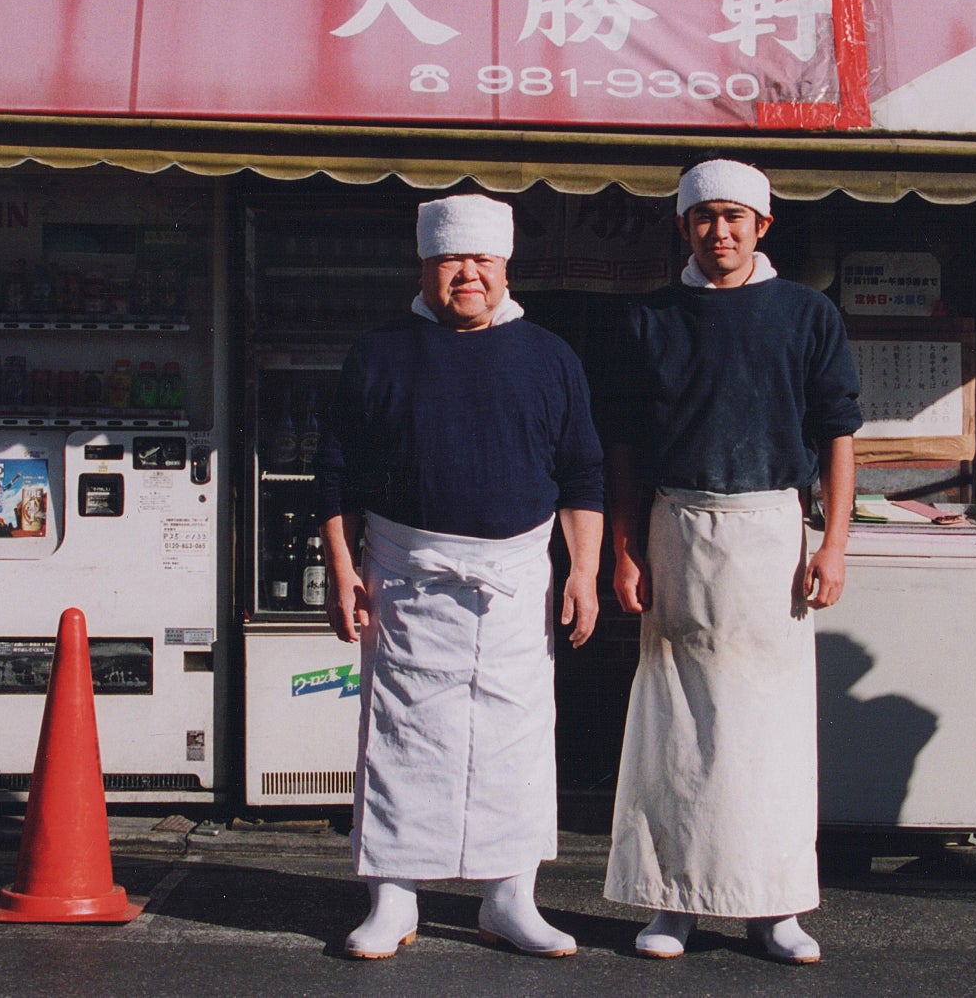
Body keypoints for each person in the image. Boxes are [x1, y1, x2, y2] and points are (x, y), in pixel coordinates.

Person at [315, 193, 605, 960]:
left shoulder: (550, 355)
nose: (467, 276)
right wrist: (341, 569)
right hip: (407, 575)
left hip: (515, 577)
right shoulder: (379, 353)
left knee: (514, 739)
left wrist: (584, 570)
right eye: (451, 261)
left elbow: (582, 474)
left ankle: (510, 897)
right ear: (425, 266)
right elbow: (336, 475)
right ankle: (393, 896)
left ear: (506, 267)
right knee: (405, 736)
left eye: (482, 261)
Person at [601, 157, 862, 965]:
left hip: (771, 532)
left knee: (770, 730)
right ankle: (671, 904)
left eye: (735, 218)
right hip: (676, 522)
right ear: (683, 227)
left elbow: (839, 436)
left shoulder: (807, 314)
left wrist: (835, 543)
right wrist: (624, 548)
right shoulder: (650, 319)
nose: (720, 232)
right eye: (705, 217)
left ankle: (775, 909)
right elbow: (626, 447)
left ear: (763, 227)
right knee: (677, 723)